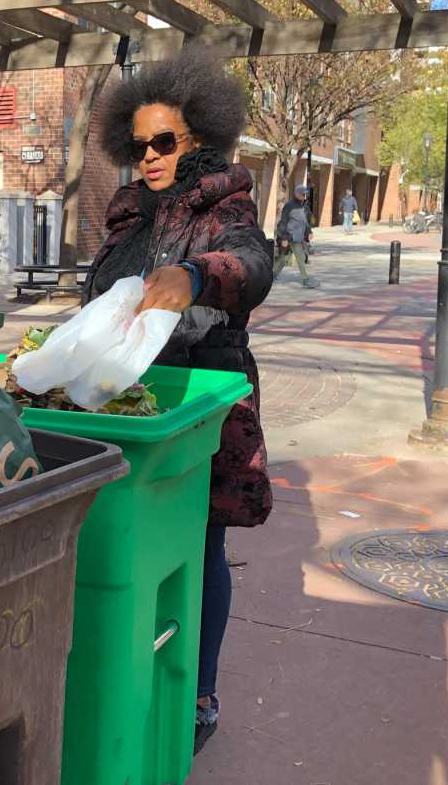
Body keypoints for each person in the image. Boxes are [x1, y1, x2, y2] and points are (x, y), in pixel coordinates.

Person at [85, 46, 274, 755]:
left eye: (164, 141)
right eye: (139, 146)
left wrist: (196, 275)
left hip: (200, 402)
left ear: (197, 134)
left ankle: (198, 689)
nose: (151, 157)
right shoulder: (129, 209)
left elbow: (251, 264)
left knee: (202, 546)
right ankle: (137, 676)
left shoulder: (227, 199)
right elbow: (101, 293)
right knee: (137, 547)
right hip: (131, 402)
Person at [273, 184, 319, 287]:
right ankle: (305, 280)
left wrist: (309, 232)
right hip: (290, 236)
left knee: (284, 257)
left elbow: (304, 221)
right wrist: (283, 237)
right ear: (297, 194)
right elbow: (283, 222)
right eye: (303, 194)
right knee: (300, 257)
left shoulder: (302, 205)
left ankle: (272, 274)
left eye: (305, 194)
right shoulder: (289, 206)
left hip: (297, 236)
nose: (305, 196)